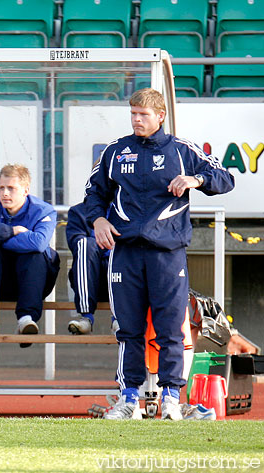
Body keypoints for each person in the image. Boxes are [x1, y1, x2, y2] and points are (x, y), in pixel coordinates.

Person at [85, 88, 235, 420]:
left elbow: (225, 178)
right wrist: (97, 219)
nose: (137, 120)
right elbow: (93, 192)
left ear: (160, 116)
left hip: (168, 253)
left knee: (170, 329)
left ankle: (170, 399)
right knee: (127, 328)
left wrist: (195, 180)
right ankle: (127, 400)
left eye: (144, 115)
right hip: (125, 252)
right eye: (133, 114)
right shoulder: (116, 151)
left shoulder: (182, 150)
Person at [0, 164, 60, 339]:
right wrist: (11, 231)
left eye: (11, 188)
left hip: (33, 282)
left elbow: (39, 243)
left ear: (26, 191)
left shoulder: (43, 210)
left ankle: (26, 319)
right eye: (2, 188)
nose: (5, 193)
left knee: (35, 255)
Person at [65, 201, 114, 335]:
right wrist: (105, 243)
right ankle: (86, 317)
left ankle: (119, 319)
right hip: (89, 278)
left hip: (120, 278)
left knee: (126, 249)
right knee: (84, 244)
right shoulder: (78, 212)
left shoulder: (129, 210)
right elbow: (76, 244)